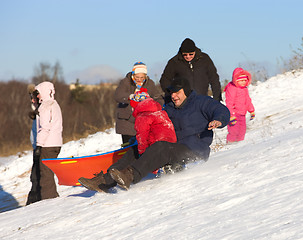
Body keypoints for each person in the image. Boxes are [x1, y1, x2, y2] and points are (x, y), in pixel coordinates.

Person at [86, 77, 230, 191]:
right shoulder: (169, 108)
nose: (173, 96)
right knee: (138, 148)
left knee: (161, 147)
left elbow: (221, 110)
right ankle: (105, 181)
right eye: (172, 93)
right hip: (172, 147)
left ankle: (130, 176)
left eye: (177, 92)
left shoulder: (201, 102)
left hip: (194, 150)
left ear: (186, 91)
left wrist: (218, 120)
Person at [78, 88, 177, 192]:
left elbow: (142, 138)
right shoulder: (159, 111)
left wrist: (142, 155)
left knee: (133, 152)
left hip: (157, 151)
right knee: (134, 150)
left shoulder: (142, 116)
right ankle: (105, 179)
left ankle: (105, 181)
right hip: (169, 148)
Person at [26, 81, 63, 205]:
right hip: (54, 142)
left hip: (47, 144)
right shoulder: (53, 104)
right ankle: (38, 201)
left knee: (44, 175)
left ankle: (49, 201)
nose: (36, 98)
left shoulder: (46, 106)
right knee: (41, 175)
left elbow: (45, 127)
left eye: (37, 94)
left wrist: (39, 146)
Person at [114, 62, 163, 144]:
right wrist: (131, 96)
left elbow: (158, 98)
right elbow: (118, 95)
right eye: (137, 77)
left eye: (142, 77)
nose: (139, 79)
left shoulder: (150, 84)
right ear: (133, 74)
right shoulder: (125, 82)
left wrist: (154, 106)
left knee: (143, 144)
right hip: (127, 121)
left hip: (144, 120)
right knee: (129, 145)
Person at [160, 38, 222, 102]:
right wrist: (172, 94)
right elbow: (165, 80)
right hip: (184, 103)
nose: (188, 56)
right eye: (185, 54)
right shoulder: (174, 62)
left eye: (191, 54)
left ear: (195, 51)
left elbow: (214, 79)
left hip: (202, 100)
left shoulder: (205, 59)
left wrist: (216, 98)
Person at [224, 67, 255, 143]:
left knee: (242, 130)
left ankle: (239, 144)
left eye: (245, 80)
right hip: (234, 114)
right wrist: (231, 115)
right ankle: (230, 143)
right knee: (233, 130)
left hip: (242, 114)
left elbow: (248, 100)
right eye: (241, 80)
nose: (244, 82)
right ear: (236, 80)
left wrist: (251, 110)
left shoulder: (244, 89)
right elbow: (229, 102)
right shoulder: (232, 88)